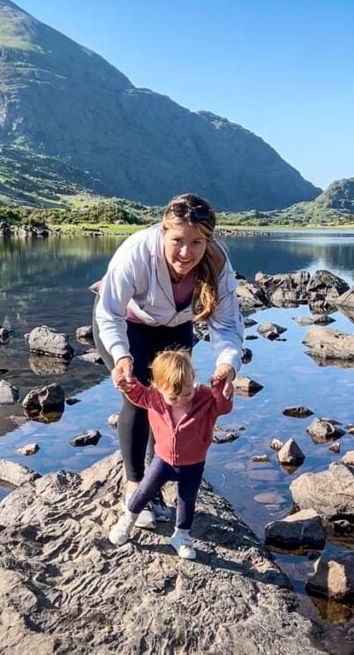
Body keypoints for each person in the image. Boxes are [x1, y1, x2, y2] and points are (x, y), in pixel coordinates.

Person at [92, 193, 244, 529]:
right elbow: (110, 313)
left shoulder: (217, 263)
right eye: (177, 240)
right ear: (163, 232)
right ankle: (134, 486)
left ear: (209, 240)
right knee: (141, 393)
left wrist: (227, 365)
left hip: (175, 326)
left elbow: (227, 325)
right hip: (126, 323)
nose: (186, 252)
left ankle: (156, 477)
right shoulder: (136, 252)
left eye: (197, 242)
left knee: (175, 395)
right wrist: (121, 356)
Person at [107, 350, 233, 559]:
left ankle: (181, 535)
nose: (181, 400)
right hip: (163, 460)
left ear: (193, 376)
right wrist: (125, 383)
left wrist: (220, 385)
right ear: (157, 387)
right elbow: (137, 393)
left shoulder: (205, 398)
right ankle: (127, 521)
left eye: (187, 393)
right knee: (143, 491)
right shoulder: (154, 398)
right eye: (173, 397)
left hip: (194, 463)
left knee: (187, 499)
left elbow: (223, 407)